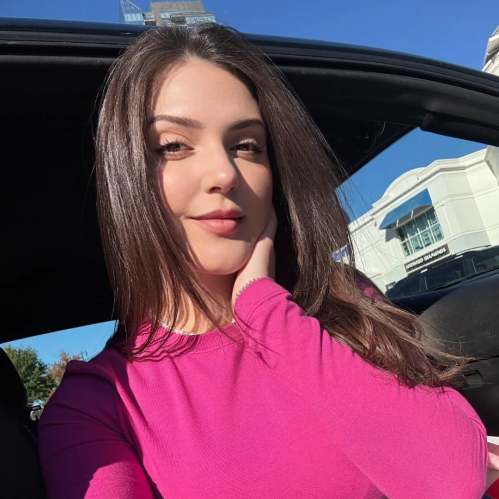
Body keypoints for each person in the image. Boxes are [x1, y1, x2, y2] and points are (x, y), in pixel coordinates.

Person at [38, 23, 495, 498]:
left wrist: (265, 309)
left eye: (246, 146)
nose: (224, 172)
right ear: (126, 176)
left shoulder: (341, 303)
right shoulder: (96, 405)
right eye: (173, 146)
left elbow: (452, 476)